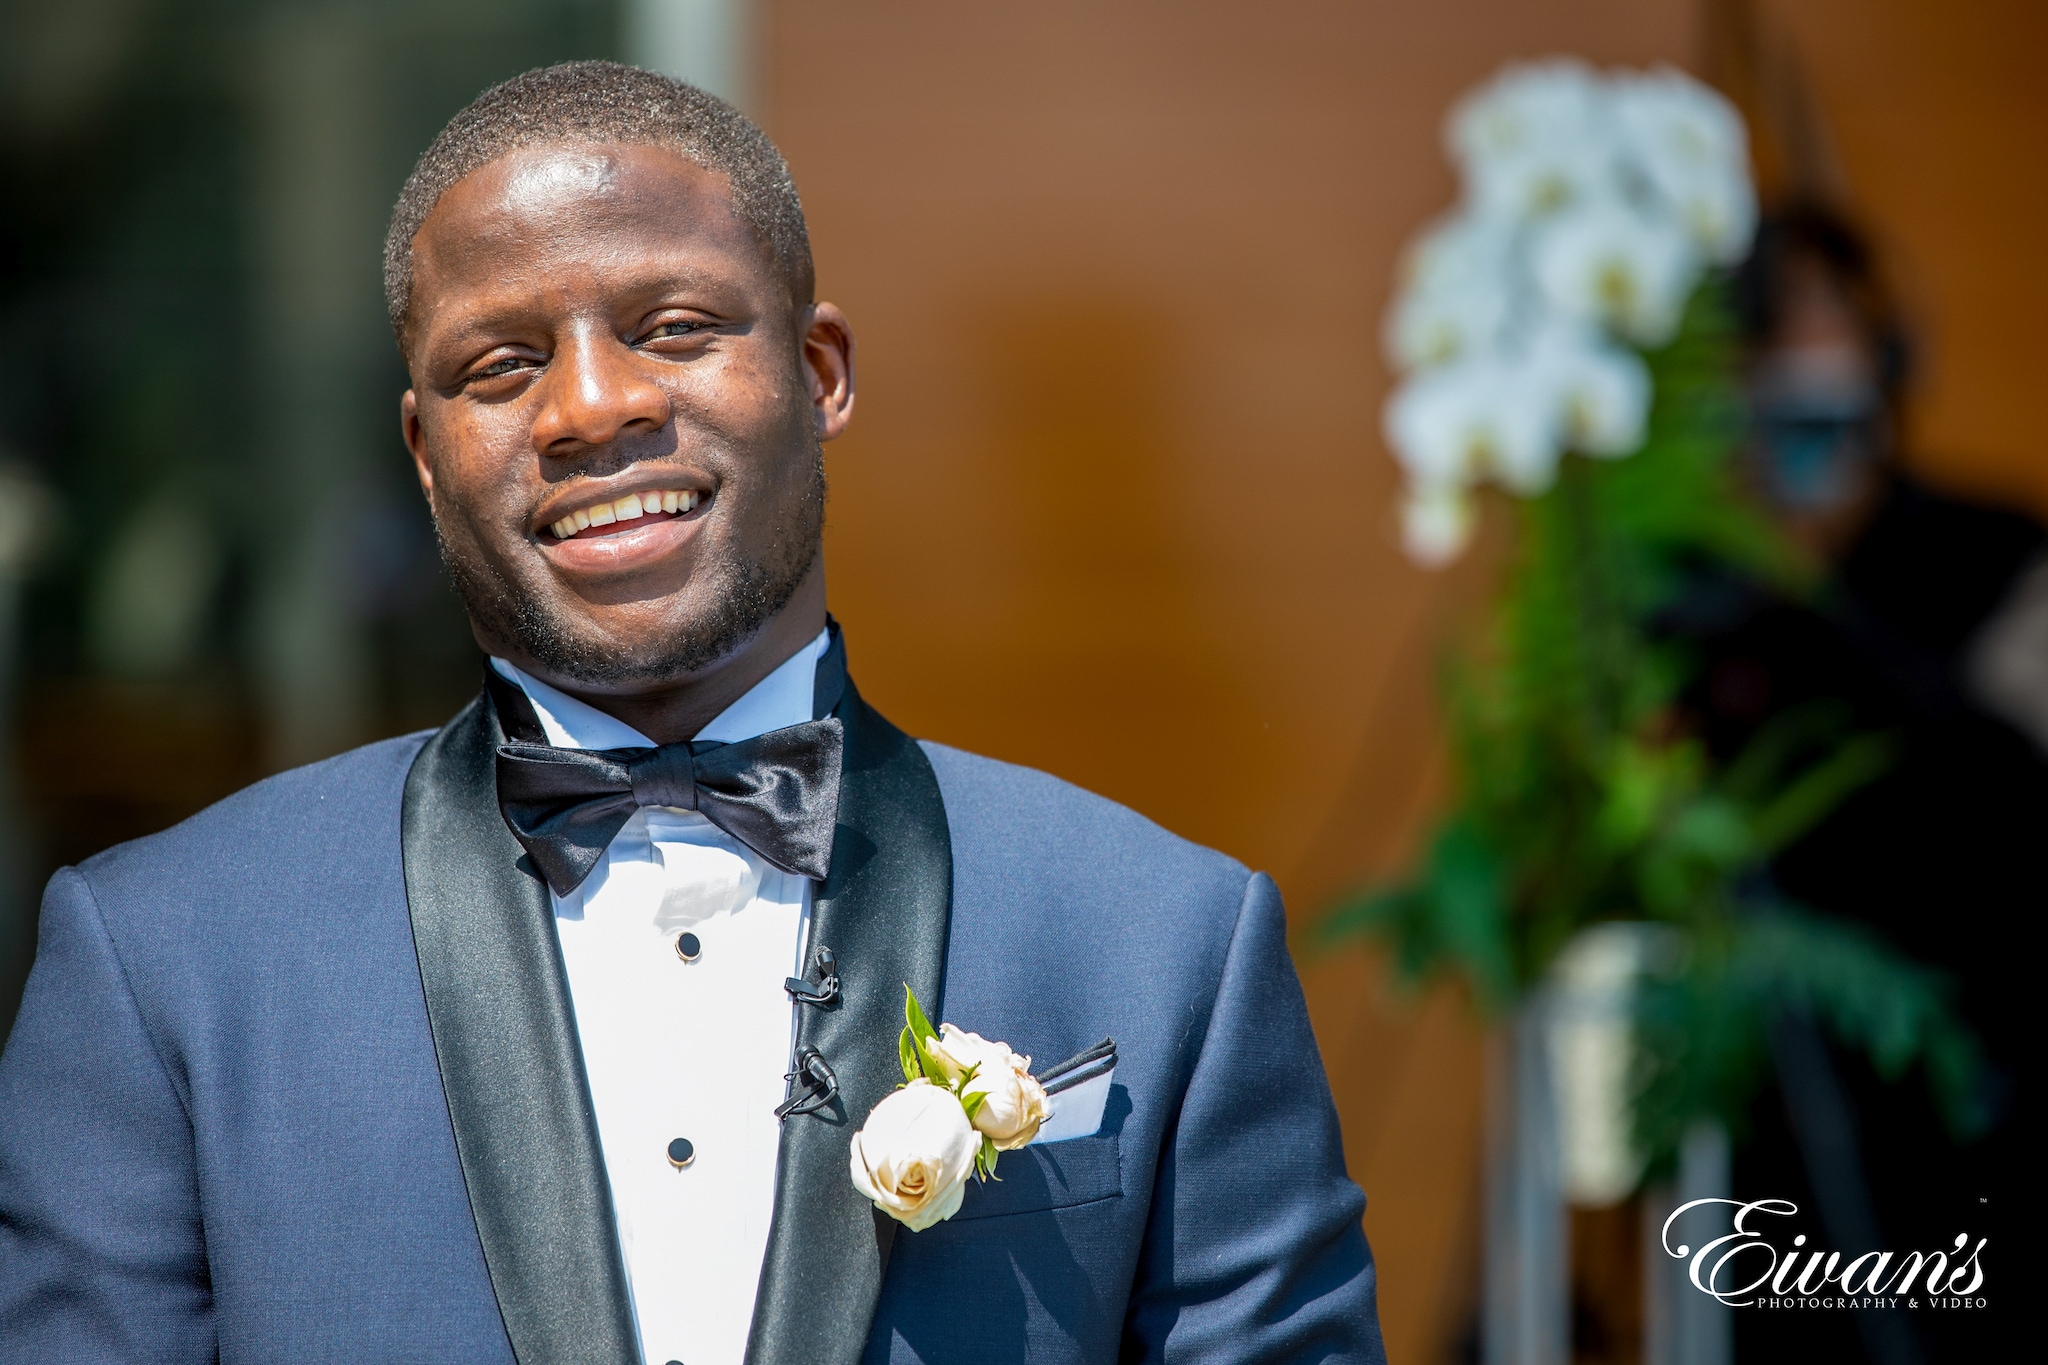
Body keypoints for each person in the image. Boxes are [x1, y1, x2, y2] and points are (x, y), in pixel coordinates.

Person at [0, 63, 1384, 1365]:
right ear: (425, 453)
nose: (593, 405)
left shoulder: (1172, 946)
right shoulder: (161, 967)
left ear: (820, 369)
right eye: (500, 365)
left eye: (674, 328)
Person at [1675, 203, 2042, 1363]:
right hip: (1758, 1150)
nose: (1791, 374)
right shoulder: (1684, 599)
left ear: (1886, 357)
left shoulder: (2001, 557)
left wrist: (1821, 621)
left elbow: (2009, 789)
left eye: (1816, 332)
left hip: (1980, 1115)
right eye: (1760, 342)